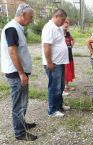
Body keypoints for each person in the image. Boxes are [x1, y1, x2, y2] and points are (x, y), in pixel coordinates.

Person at [0, 3, 37, 141]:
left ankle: (22, 124)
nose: (31, 19)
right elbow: (12, 52)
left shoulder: (17, 28)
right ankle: (20, 133)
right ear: (22, 14)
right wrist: (21, 73)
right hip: (16, 73)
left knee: (23, 101)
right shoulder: (12, 28)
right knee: (18, 103)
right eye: (30, 16)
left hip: (20, 72)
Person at [41, 8, 70, 117]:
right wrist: (49, 62)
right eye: (62, 19)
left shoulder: (58, 28)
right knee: (54, 87)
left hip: (60, 62)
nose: (63, 22)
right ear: (56, 16)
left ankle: (59, 106)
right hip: (53, 63)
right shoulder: (49, 28)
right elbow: (46, 46)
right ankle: (52, 110)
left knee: (61, 87)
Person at [62, 19, 76, 96]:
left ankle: (66, 86)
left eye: (67, 23)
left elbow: (73, 39)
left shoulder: (67, 33)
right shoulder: (59, 33)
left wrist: (71, 46)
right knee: (64, 72)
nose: (66, 25)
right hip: (63, 57)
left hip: (69, 55)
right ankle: (63, 88)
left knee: (68, 71)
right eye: (64, 23)